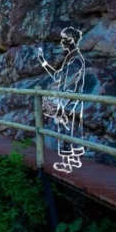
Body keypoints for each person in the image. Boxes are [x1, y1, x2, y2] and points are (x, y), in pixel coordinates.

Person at [38, 27, 86, 174]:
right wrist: (44, 63)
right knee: (73, 129)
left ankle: (67, 163)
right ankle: (74, 161)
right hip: (72, 100)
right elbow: (58, 77)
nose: (61, 42)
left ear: (71, 41)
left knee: (66, 130)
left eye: (63, 39)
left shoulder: (75, 60)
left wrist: (60, 107)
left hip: (68, 101)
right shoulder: (71, 58)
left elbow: (66, 84)